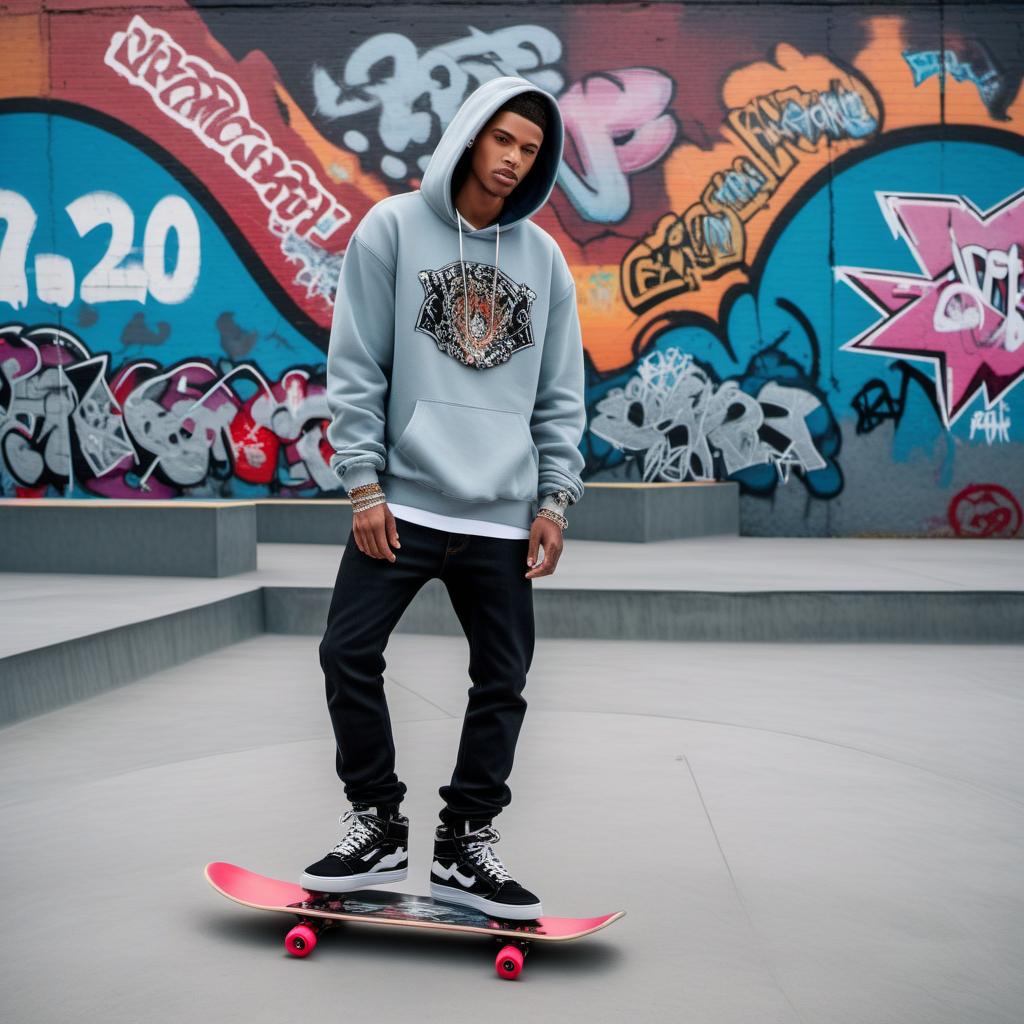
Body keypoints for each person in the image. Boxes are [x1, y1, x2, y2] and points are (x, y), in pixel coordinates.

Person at [300, 76, 586, 921]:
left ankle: (466, 844)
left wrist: (554, 499)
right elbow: (356, 366)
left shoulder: (543, 261)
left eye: (530, 150)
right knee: (346, 655)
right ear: (469, 136)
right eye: (502, 140)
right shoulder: (391, 229)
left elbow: (561, 394)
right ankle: (378, 821)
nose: (513, 160)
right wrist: (363, 483)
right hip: (403, 506)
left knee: (504, 679)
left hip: (500, 513)